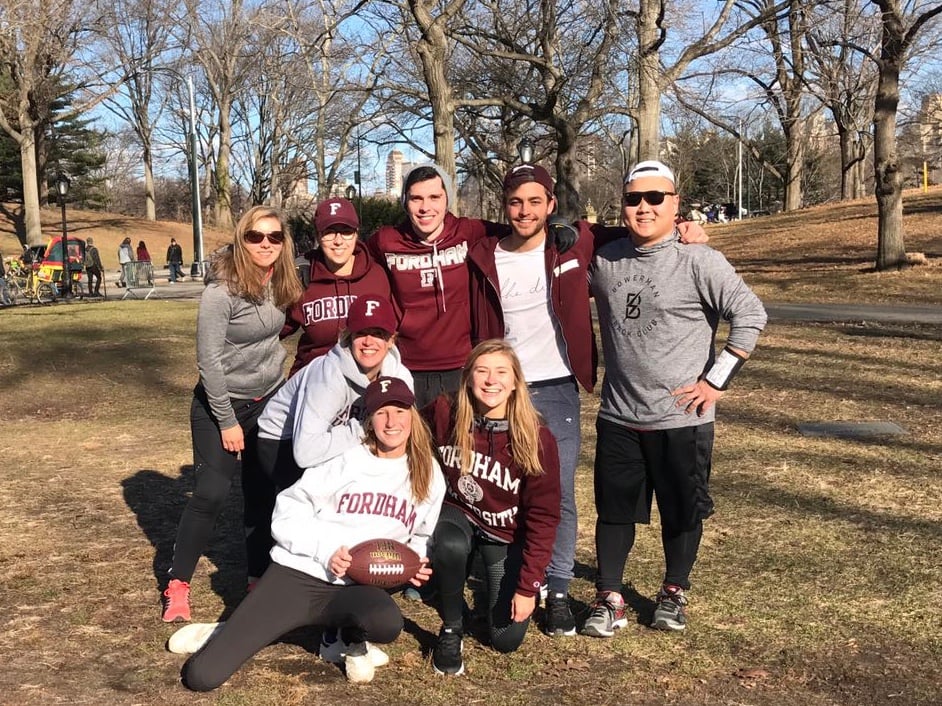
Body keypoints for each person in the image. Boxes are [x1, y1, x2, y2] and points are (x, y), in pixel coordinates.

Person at [466, 163, 709, 637]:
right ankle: (504, 574)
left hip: (556, 385)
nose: (525, 211)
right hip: (500, 386)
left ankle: (557, 590)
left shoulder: (574, 243)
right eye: (516, 202)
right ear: (504, 205)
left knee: (556, 490)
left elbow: (633, 227)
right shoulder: (485, 253)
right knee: (493, 482)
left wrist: (682, 226)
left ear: (552, 205)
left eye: (536, 201)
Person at [170, 377, 447, 689]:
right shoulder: (345, 458)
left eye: (399, 411)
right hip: (299, 575)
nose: (391, 421)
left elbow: (422, 533)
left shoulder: (428, 473)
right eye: (381, 413)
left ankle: (345, 637)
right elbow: (286, 512)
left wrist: (416, 561)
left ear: (413, 415)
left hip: (354, 588)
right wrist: (327, 550)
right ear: (369, 419)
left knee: (386, 623)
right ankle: (231, 629)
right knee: (201, 677)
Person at [586, 160, 767, 637]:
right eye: (633, 199)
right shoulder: (605, 259)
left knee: (681, 511)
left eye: (655, 198)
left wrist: (715, 381)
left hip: (682, 417)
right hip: (619, 414)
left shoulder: (699, 260)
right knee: (614, 511)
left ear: (675, 204)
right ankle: (609, 598)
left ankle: (673, 593)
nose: (643, 207)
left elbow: (750, 314)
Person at [161, 206, 304, 623]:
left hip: (268, 400)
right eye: (255, 237)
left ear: (284, 242)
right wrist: (226, 421)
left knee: (262, 492)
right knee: (210, 492)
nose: (265, 244)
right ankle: (178, 584)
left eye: (274, 237)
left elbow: (284, 327)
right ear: (241, 240)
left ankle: (257, 579)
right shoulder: (220, 290)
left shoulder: (283, 280)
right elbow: (208, 361)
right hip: (219, 403)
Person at [367, 164, 577, 408]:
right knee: (412, 445)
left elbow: (522, 226)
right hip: (406, 366)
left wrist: (558, 224)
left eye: (435, 197)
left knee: (457, 445)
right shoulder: (386, 240)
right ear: (405, 202)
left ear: (448, 200)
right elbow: (354, 258)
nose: (426, 207)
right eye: (416, 198)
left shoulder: (469, 232)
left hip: (462, 366)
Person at [424, 340, 561, 676]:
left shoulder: (536, 438)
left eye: (501, 372)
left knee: (506, 639)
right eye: (481, 371)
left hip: (505, 534)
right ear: (468, 377)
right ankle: (452, 626)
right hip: (461, 517)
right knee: (451, 543)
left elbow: (544, 519)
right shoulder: (445, 413)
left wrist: (528, 586)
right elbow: (403, 428)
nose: (490, 380)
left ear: (515, 382)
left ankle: (491, 583)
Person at [256, 294, 412, 493]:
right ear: (349, 336)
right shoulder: (329, 375)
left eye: (378, 333)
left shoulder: (399, 375)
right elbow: (305, 453)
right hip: (281, 441)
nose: (368, 342)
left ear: (391, 340)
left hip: (333, 432)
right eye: (361, 333)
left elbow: (404, 432)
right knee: (324, 499)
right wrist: (366, 427)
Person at [281, 197, 391, 377]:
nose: (338, 241)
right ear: (318, 236)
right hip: (313, 379)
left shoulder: (377, 275)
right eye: (329, 232)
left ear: (356, 234)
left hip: (364, 381)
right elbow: (272, 328)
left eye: (346, 231)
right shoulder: (302, 276)